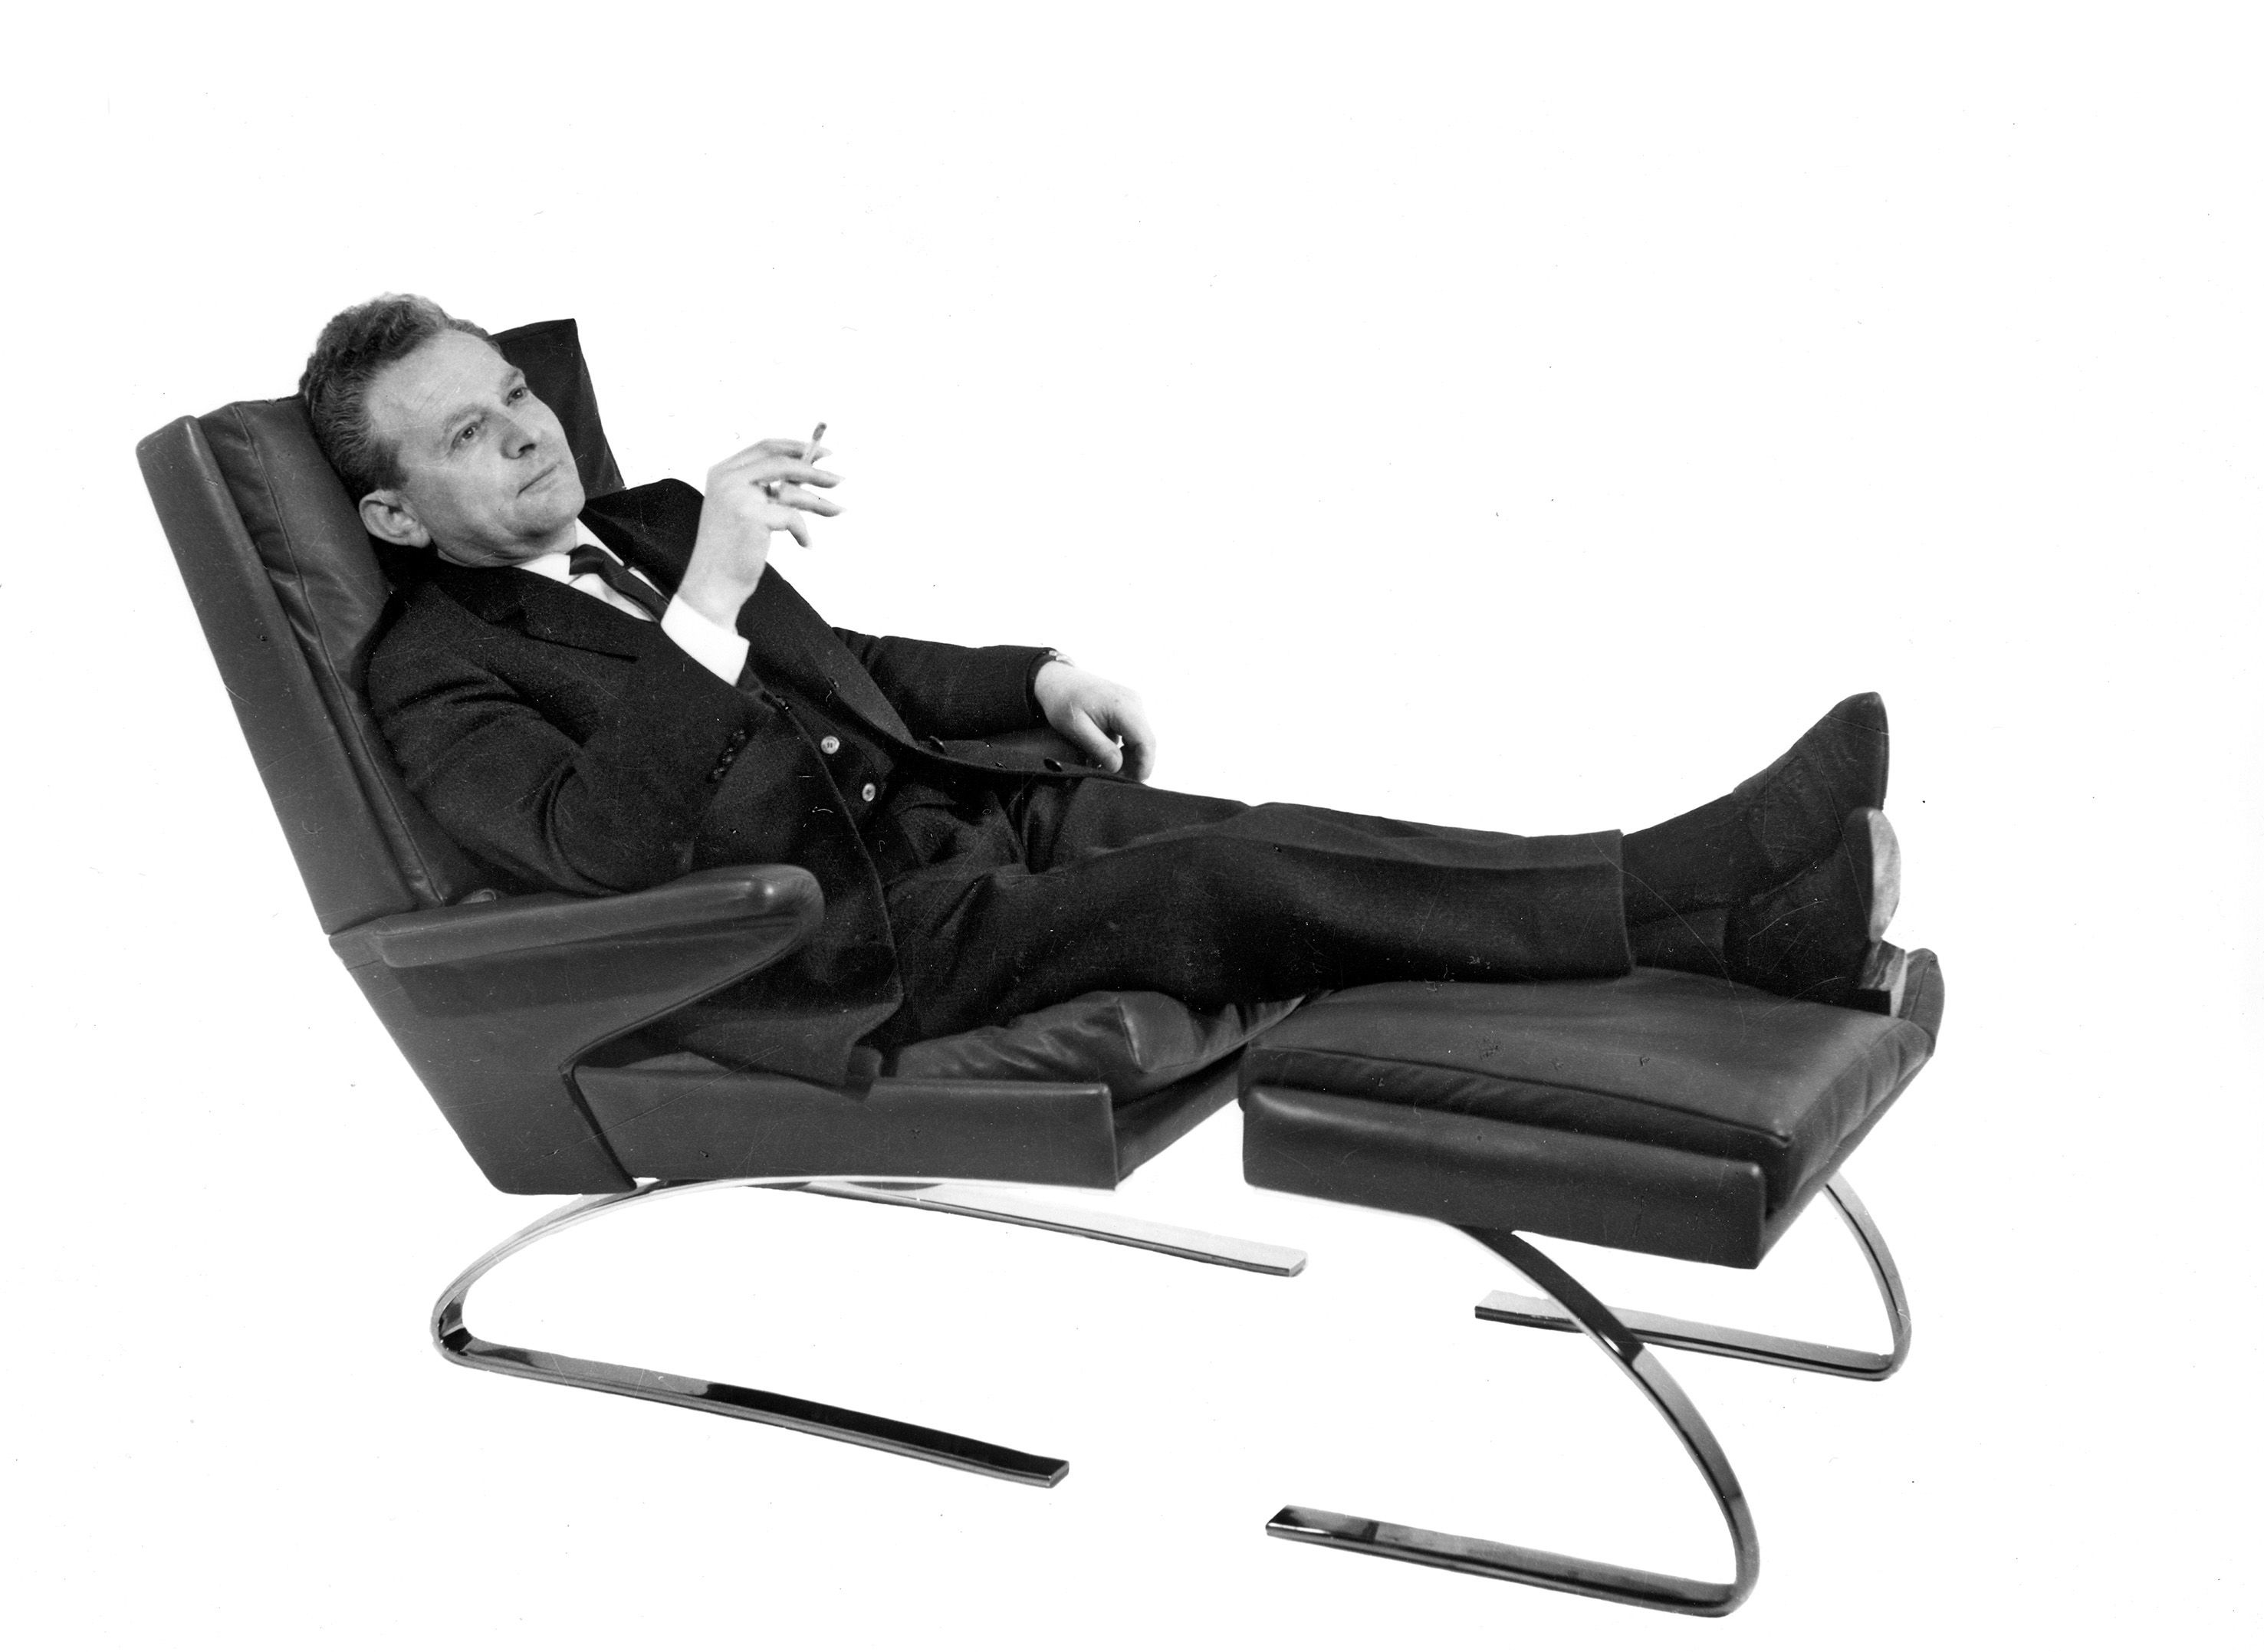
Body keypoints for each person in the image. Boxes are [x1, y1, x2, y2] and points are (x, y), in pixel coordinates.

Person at [304, 294, 1904, 1085]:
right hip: (850, 947)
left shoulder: (647, 518)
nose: (526, 431)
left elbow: (853, 671)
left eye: (513, 391)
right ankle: (1687, 865)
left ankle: (1741, 937)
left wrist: (1037, 674)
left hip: (977, 823)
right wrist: (710, 593)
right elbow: (592, 848)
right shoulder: (428, 671)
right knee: (1238, 884)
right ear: (394, 515)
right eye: (466, 435)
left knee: (1270, 832)